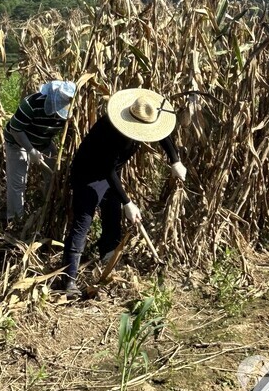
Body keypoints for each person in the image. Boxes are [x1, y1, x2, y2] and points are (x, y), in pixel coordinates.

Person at [60, 87, 188, 298]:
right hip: (89, 175)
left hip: (110, 175)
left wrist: (175, 160)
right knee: (82, 224)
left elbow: (163, 135)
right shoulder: (111, 131)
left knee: (112, 215)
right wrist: (128, 202)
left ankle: (107, 257)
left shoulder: (144, 121)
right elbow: (107, 168)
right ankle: (68, 281)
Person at [3, 80, 77, 224]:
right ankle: (15, 221)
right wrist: (30, 150)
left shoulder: (72, 108)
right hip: (18, 142)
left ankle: (47, 212)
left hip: (44, 142)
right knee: (18, 183)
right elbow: (15, 129)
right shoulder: (31, 103)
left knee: (53, 175)